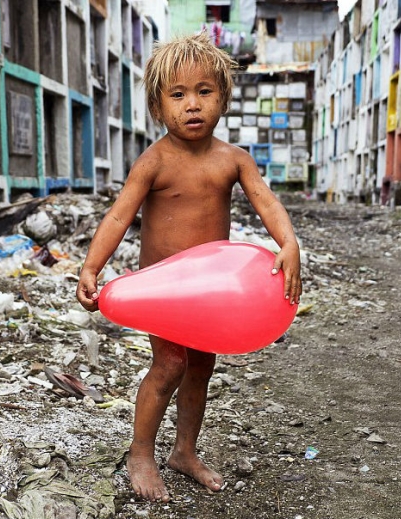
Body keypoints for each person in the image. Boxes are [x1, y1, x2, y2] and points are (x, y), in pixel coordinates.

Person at [76, 32, 302, 503]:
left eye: (204, 91)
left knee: (200, 367)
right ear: (158, 107)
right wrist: (92, 267)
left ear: (224, 98)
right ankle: (141, 452)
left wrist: (288, 243)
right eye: (177, 95)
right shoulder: (153, 162)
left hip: (211, 292)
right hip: (164, 292)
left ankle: (184, 452)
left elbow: (266, 202)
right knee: (170, 364)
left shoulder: (233, 160)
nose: (192, 104)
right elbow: (118, 216)